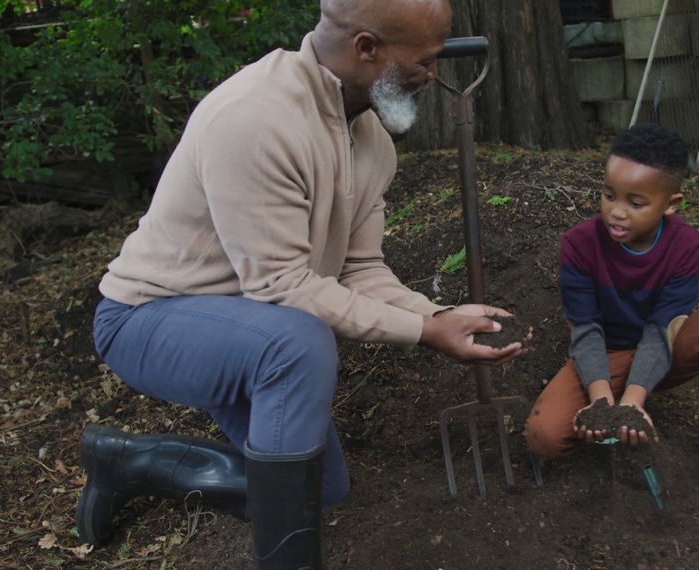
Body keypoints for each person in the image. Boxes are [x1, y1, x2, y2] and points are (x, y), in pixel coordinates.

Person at [77, 0, 523, 567]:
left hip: (251, 329)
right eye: (424, 62)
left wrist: (436, 315)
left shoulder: (370, 141)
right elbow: (282, 287)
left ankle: (124, 462)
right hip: (148, 317)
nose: (433, 76)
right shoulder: (254, 118)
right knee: (297, 343)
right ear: (367, 48)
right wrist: (422, 332)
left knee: (321, 489)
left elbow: (359, 269)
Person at [522, 124, 699, 530]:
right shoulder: (579, 244)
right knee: (543, 436)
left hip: (668, 348)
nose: (616, 210)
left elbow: (663, 327)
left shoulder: (687, 247)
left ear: (671, 203)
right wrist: (602, 402)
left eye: (636, 202)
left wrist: (634, 399)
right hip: (607, 352)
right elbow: (586, 328)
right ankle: (610, 396)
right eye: (609, 195)